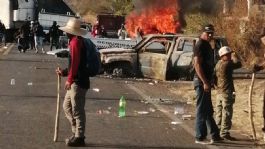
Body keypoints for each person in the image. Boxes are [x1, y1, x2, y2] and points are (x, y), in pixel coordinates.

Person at [56, 18, 89, 147]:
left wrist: (69, 80)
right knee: (67, 107)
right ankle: (76, 132)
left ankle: (80, 137)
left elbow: (75, 64)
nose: (66, 33)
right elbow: (73, 65)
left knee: (77, 110)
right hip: (76, 80)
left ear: (71, 32)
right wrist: (64, 72)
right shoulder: (76, 41)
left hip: (78, 82)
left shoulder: (76, 42)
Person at [193, 24, 223, 144]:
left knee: (208, 110)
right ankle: (200, 136)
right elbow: (197, 65)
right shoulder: (200, 45)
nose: (210, 35)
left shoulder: (207, 45)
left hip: (206, 82)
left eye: (212, 33)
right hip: (201, 82)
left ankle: (215, 135)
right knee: (201, 109)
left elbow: (210, 65)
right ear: (202, 33)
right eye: (208, 33)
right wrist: (205, 82)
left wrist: (212, 80)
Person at [214, 46, 242, 141]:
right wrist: (235, 56)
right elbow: (239, 64)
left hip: (219, 92)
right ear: (223, 56)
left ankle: (217, 131)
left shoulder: (218, 63)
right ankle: (224, 133)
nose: (230, 56)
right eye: (228, 55)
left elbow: (213, 75)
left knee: (219, 113)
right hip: (227, 92)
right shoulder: (228, 64)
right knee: (227, 113)